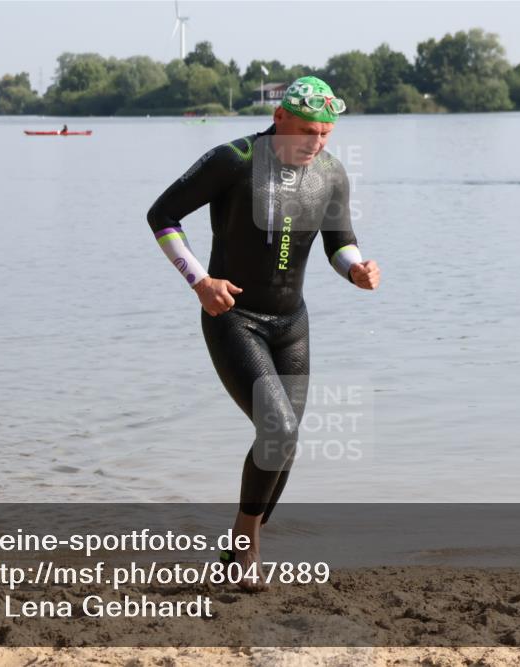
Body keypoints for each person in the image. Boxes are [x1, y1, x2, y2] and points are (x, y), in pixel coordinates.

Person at [147, 76, 380, 590]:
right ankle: (246, 546)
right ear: (279, 120)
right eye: (305, 132)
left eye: (324, 134)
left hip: (291, 324)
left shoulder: (332, 174)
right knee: (278, 428)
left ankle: (239, 547)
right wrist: (198, 281)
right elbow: (162, 214)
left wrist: (356, 268)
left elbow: (340, 241)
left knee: (286, 442)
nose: (315, 143)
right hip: (234, 317)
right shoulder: (233, 161)